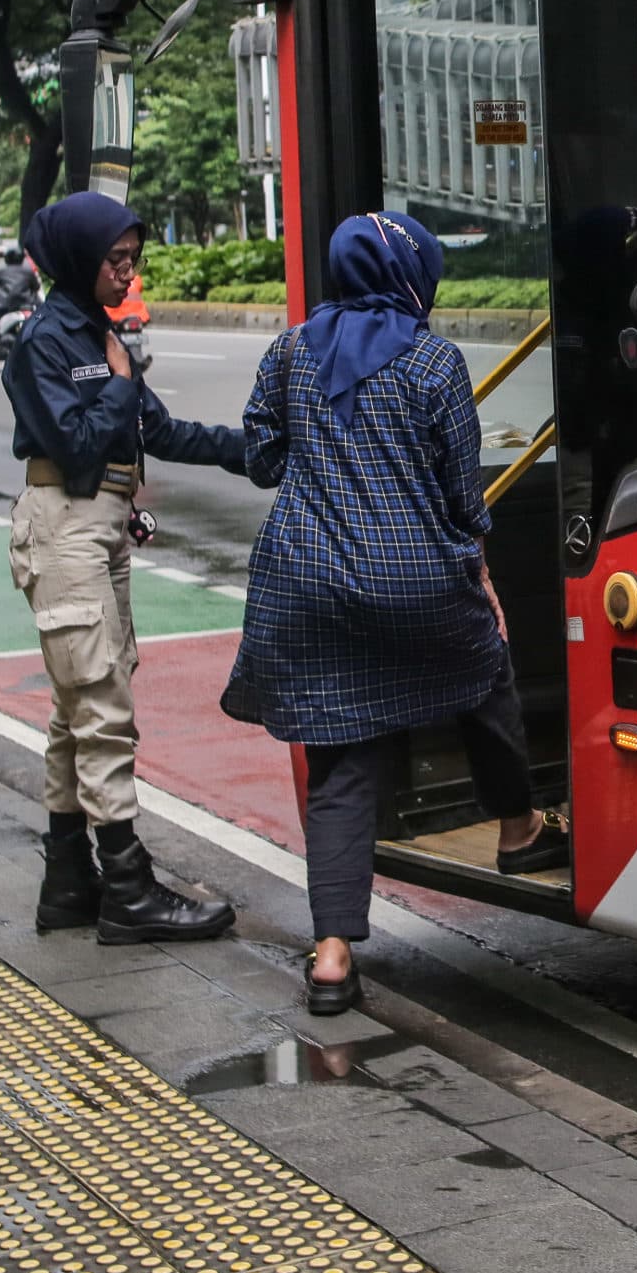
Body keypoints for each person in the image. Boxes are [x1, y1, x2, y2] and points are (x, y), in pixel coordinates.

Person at [230, 210, 566, 1017]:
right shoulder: (433, 362)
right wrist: (477, 571)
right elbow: (461, 495)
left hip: (306, 585)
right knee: (484, 679)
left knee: (344, 766)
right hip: (415, 583)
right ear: (413, 274)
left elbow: (260, 458)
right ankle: (519, 828)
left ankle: (336, 956)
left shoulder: (289, 353)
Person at [2, 192, 250, 943]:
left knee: (77, 709)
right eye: (117, 261)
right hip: (67, 524)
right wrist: (115, 379)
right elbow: (78, 445)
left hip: (102, 526)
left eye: (133, 262)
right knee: (102, 710)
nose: (127, 275)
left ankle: (70, 882)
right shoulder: (45, 342)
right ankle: (131, 890)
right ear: (81, 258)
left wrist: (259, 449)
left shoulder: (98, 334)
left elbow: (159, 431)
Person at [0, 246, 40, 352]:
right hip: (26, 306)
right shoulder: (28, 271)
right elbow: (36, 287)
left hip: (3, 307)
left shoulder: (1, 271)